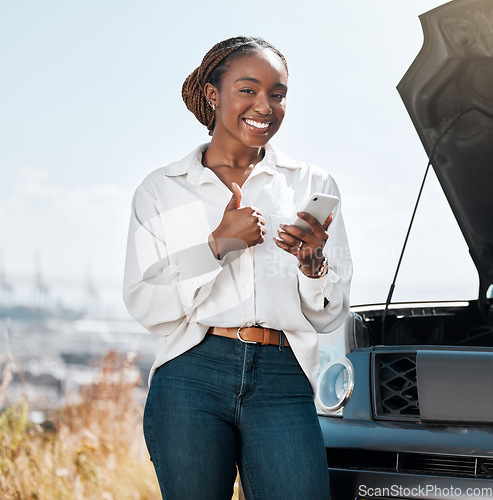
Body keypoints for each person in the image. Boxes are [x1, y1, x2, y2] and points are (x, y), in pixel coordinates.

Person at [123, 36, 352, 500]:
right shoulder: (161, 189)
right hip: (191, 371)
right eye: (248, 89)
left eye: (277, 93)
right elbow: (146, 304)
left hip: (282, 374)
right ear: (213, 94)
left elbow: (331, 314)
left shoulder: (313, 184)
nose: (265, 106)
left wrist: (313, 266)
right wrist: (217, 246)